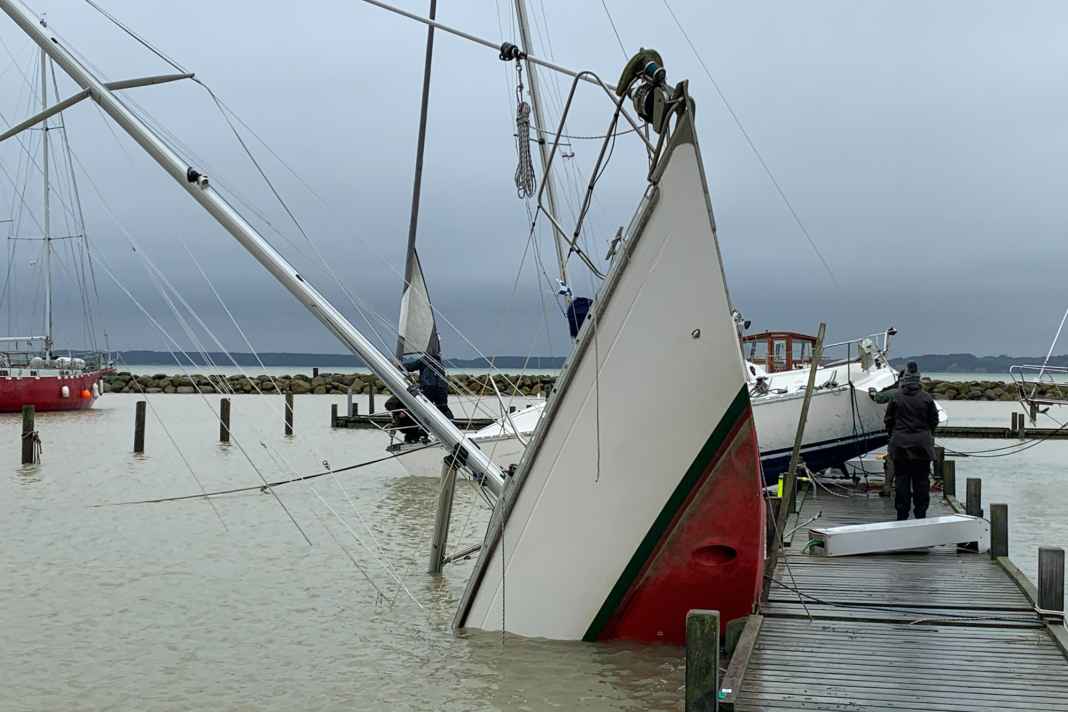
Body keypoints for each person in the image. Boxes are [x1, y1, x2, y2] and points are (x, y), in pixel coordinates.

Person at [884, 361, 940, 520]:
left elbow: (888, 420)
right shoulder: (927, 398)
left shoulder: (896, 397)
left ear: (904, 380)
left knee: (902, 480)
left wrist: (893, 435)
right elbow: (934, 420)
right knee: (921, 481)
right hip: (922, 446)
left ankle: (902, 514)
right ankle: (920, 514)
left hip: (900, 445)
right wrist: (927, 435)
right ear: (918, 379)